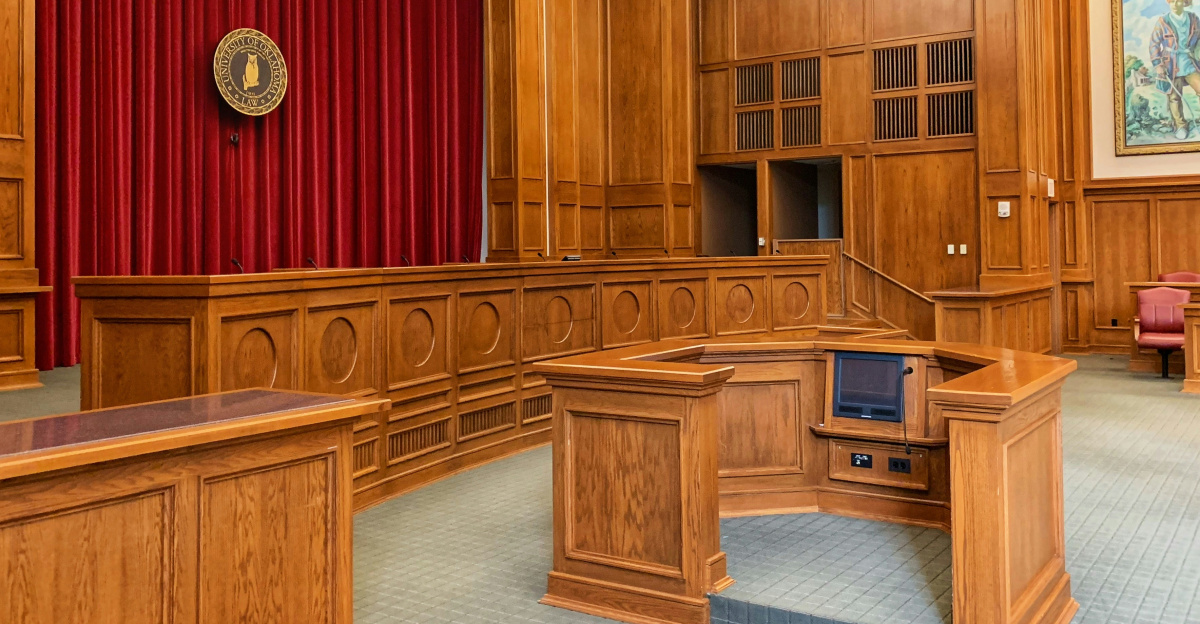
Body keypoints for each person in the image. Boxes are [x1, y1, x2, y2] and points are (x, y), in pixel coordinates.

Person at [1150, 0, 1200, 139]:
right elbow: (1154, 44)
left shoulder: (1194, 19)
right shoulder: (1163, 21)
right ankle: (1180, 126)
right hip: (1171, 65)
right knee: (1174, 97)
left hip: (1190, 63)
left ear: (1185, 3)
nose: (1174, 4)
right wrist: (1158, 64)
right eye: (1171, 1)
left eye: (1178, 1)